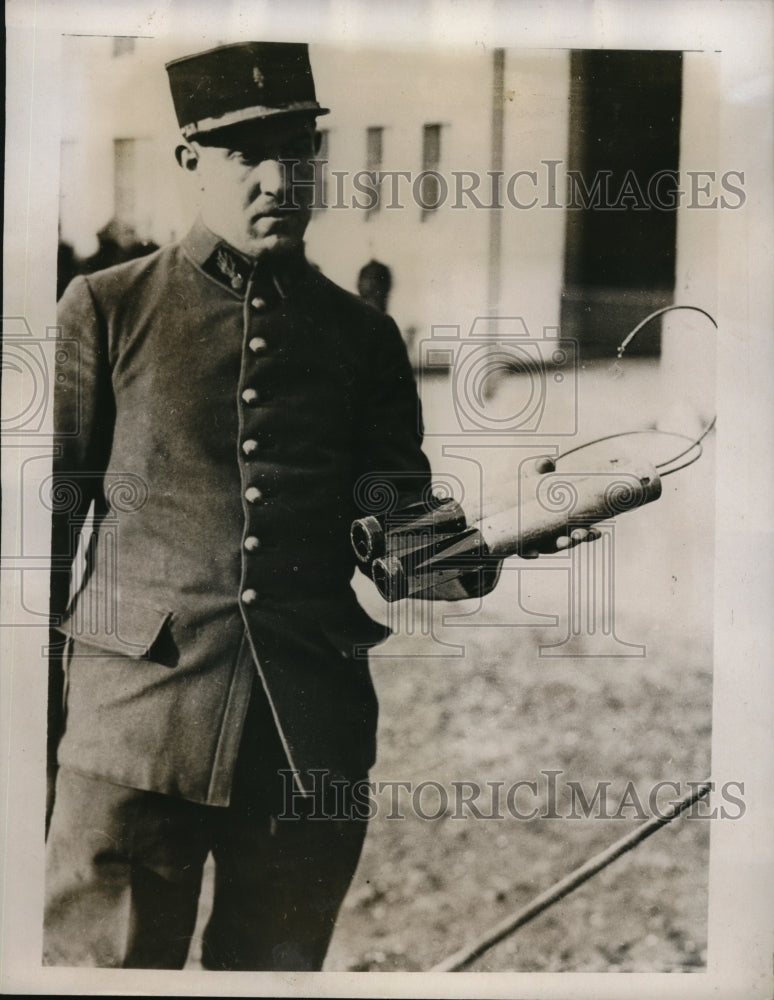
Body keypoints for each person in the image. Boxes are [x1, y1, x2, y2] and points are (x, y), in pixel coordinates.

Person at [45, 40, 596, 971]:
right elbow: (41, 534)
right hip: (133, 734)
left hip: (305, 745)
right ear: (191, 164)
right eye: (245, 155)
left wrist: (514, 531)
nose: (277, 178)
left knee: (274, 976)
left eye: (298, 152)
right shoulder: (106, 309)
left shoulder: (363, 336)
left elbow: (401, 541)